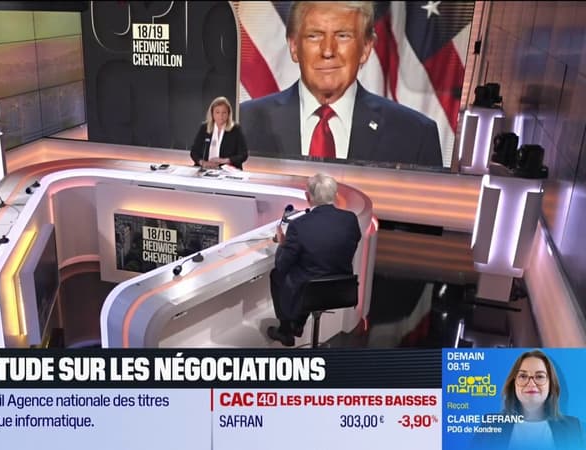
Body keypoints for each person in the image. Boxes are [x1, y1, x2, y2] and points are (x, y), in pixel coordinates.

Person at [239, 1, 443, 166]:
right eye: (314, 36)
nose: (328, 50)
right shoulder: (244, 124)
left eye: (343, 36)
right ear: (294, 46)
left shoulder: (415, 135)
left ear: (366, 48)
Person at [267, 173, 361, 347]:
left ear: (308, 197)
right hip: (342, 288)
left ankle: (286, 330)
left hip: (310, 291)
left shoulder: (298, 226)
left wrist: (283, 244)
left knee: (277, 275)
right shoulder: (350, 219)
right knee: (308, 271)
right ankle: (298, 323)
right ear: (335, 195)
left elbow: (281, 265)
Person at [472, 350, 584, 450]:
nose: (531, 383)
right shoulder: (490, 425)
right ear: (513, 383)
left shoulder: (574, 428)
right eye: (523, 376)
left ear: (551, 384)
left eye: (539, 376)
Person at [190, 96, 249, 170]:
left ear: (228, 114)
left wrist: (224, 160)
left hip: (227, 170)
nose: (221, 116)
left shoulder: (235, 129)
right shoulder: (204, 127)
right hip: (205, 169)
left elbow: (243, 155)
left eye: (224, 112)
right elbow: (194, 152)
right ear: (212, 113)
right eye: (217, 112)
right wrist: (203, 162)